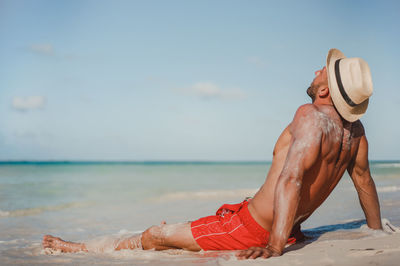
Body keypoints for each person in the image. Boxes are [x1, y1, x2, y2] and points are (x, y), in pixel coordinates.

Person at [43, 48, 382, 259]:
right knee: (176, 238)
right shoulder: (354, 134)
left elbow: (292, 178)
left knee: (155, 234)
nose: (314, 71)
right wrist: (375, 230)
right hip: (285, 225)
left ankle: (76, 249)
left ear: (324, 90)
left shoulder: (309, 117)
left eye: (320, 71)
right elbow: (364, 182)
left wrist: (276, 246)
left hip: (253, 228)